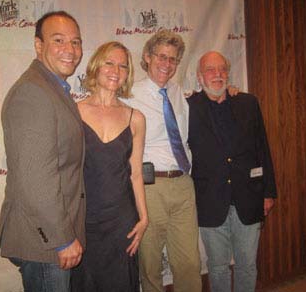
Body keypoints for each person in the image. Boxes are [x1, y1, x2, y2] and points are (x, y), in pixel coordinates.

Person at [0, 11, 86, 292]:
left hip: (48, 235)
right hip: (45, 241)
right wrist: (62, 239)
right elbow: (35, 179)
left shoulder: (52, 87)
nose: (70, 50)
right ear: (38, 45)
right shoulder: (33, 92)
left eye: (75, 42)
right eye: (58, 40)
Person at [187, 51, 277, 292]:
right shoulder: (188, 107)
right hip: (209, 201)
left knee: (247, 265)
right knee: (217, 267)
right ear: (199, 76)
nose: (217, 74)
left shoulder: (248, 103)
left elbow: (262, 148)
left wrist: (268, 192)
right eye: (210, 69)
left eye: (222, 69)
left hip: (248, 198)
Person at [126, 29, 202, 292]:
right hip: (150, 188)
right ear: (147, 57)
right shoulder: (129, 95)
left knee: (190, 264)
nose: (166, 64)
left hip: (183, 185)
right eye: (161, 56)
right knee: (150, 266)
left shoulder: (179, 92)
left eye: (172, 59)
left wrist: (230, 90)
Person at [71, 41, 148, 292]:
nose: (116, 70)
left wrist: (144, 217)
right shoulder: (73, 111)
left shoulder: (135, 118)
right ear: (95, 66)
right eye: (110, 63)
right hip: (85, 220)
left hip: (122, 221)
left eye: (123, 66)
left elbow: (135, 173)